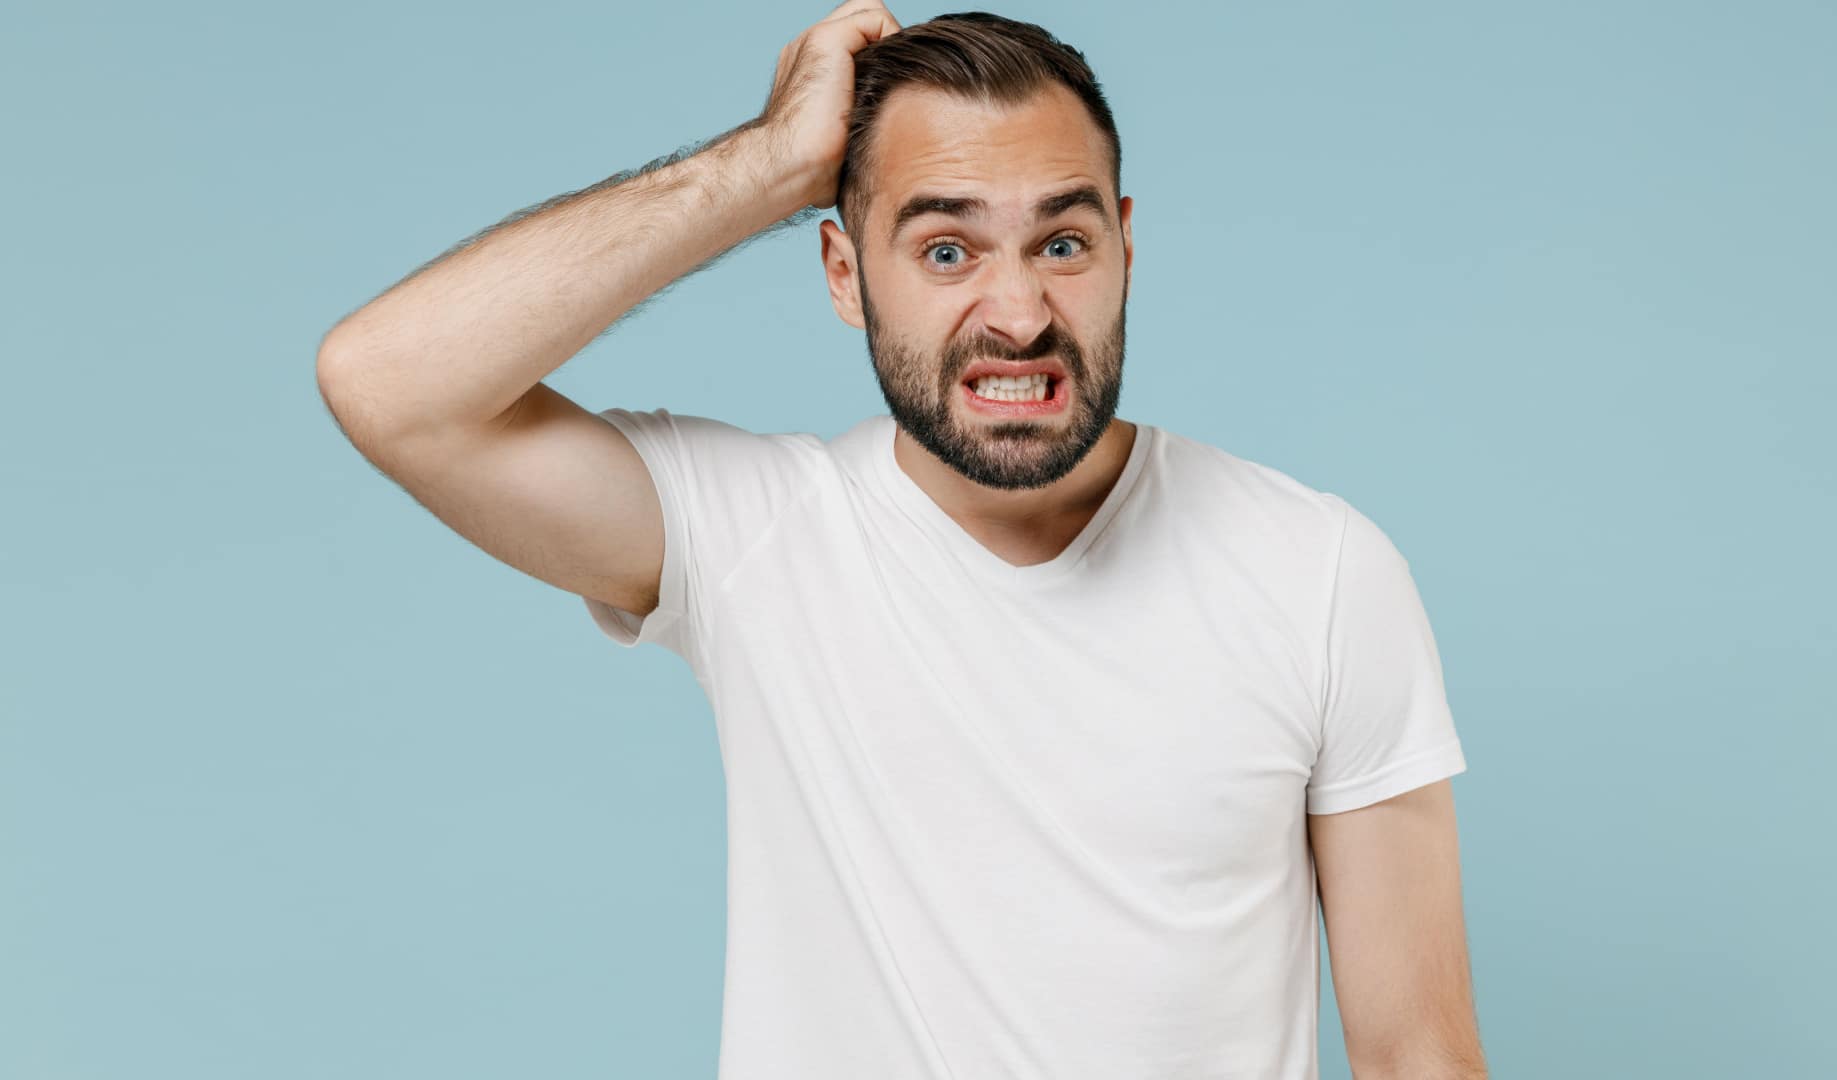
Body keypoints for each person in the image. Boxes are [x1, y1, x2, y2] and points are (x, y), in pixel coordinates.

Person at [316, 6, 1487, 1078]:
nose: (1019, 314)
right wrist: (767, 163)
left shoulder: (1319, 572)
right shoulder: (754, 537)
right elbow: (388, 383)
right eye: (945, 250)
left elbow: (1419, 1055)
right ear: (843, 272)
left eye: (1063, 245)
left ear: (1125, 247)